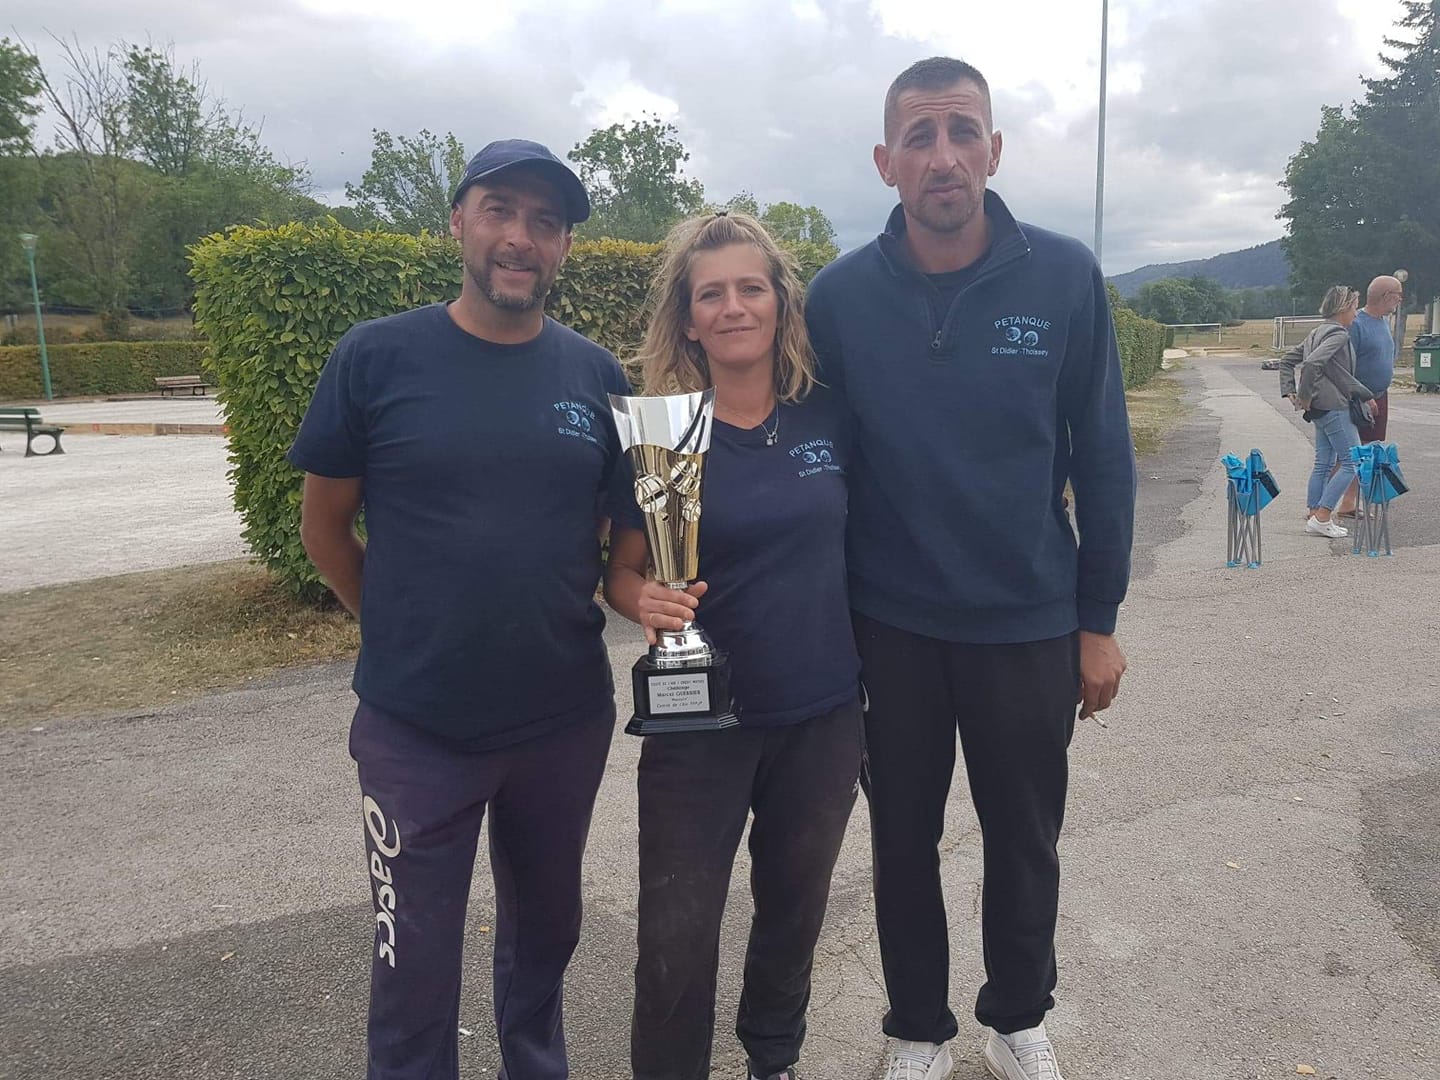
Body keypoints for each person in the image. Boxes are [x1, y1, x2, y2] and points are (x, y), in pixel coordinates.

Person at [804, 57, 1136, 1080]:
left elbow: (1105, 454)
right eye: (919, 135)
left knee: (1025, 838)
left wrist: (1098, 618)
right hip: (889, 624)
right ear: (885, 161)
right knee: (901, 839)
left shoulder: (1066, 276)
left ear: (992, 150)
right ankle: (917, 1029)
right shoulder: (840, 297)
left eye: (961, 131)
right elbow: (826, 471)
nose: (942, 155)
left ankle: (1016, 1015)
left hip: (1030, 621)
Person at [288, 139, 632, 1080]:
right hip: (417, 730)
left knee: (545, 941)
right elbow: (326, 529)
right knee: (413, 966)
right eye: (500, 210)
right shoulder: (375, 356)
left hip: (562, 723)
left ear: (564, 247)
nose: (521, 237)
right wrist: (398, 630)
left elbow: (622, 543)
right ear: (458, 222)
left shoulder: (598, 379)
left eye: (546, 222)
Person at [604, 211, 863, 1080]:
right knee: (677, 929)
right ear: (687, 318)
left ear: (782, 304)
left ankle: (773, 1057)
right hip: (697, 722)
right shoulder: (663, 433)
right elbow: (624, 572)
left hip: (822, 714)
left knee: (795, 909)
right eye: (711, 294)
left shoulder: (830, 418)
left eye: (752, 288)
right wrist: (643, 599)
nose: (734, 307)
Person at [1279, 285, 1373, 539]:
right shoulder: (1339, 335)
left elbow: (1288, 360)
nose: (1356, 313)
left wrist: (1291, 390)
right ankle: (1323, 516)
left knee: (1323, 462)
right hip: (1334, 407)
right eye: (1354, 307)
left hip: (1320, 409)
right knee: (1352, 461)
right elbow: (1312, 363)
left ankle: (1314, 513)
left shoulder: (1315, 333)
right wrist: (1304, 396)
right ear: (1343, 308)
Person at [1334, 275, 1404, 515]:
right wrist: (1362, 395)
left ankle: (1349, 503)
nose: (1400, 299)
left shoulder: (1383, 322)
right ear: (1385, 296)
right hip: (1359, 399)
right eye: (1398, 294)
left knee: (1367, 450)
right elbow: (1344, 366)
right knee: (1347, 453)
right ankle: (1322, 504)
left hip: (1380, 395)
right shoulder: (1357, 324)